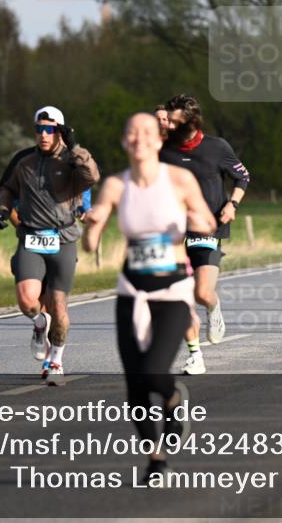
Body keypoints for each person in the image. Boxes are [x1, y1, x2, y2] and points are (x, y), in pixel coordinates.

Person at [83, 112, 216, 486]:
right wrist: (93, 225)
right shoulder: (116, 185)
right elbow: (90, 243)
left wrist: (195, 220)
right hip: (132, 291)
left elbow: (207, 222)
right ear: (125, 141)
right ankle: (156, 459)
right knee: (135, 383)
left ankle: (172, 399)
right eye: (132, 132)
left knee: (155, 371)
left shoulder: (179, 179)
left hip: (173, 291)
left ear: (159, 140)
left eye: (146, 132)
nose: (139, 137)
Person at [0, 106, 99, 381]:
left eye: (50, 130)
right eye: (39, 129)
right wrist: (3, 210)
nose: (43, 134)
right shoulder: (24, 161)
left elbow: (91, 176)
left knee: (58, 305)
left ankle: (55, 360)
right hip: (31, 237)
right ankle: (40, 323)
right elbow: (7, 188)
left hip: (63, 239)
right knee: (27, 300)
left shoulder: (72, 160)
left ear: (60, 132)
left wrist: (74, 147)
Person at [160, 94, 250, 374]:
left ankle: (214, 307)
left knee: (201, 293)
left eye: (174, 122)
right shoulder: (163, 151)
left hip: (208, 227)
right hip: (174, 232)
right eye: (167, 121)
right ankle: (195, 355)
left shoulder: (217, 147)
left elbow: (243, 177)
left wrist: (232, 205)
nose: (168, 126)